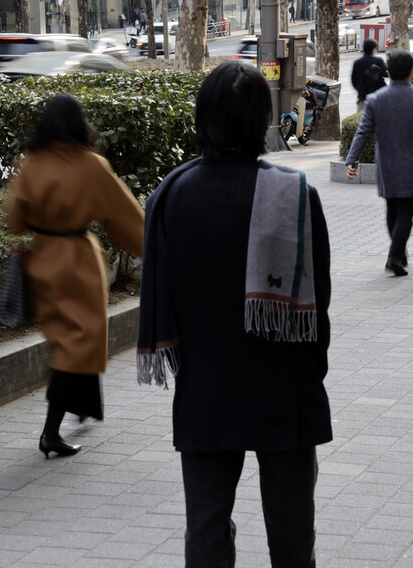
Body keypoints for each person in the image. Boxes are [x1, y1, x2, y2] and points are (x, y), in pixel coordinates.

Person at [137, 61, 333, 567]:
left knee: (206, 526)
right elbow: (319, 307)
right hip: (285, 387)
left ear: (203, 119)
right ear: (258, 121)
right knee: (292, 534)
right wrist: (313, 373)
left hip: (206, 387)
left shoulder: (170, 197)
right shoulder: (296, 195)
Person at [5, 94, 144, 458]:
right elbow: (125, 217)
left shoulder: (31, 163)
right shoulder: (91, 166)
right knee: (78, 344)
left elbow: (14, 220)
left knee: (67, 344)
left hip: (43, 261)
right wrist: (159, 250)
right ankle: (51, 432)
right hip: (78, 265)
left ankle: (82, 407)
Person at [345, 50, 413, 277]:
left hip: (387, 165)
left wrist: (352, 159)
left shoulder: (375, 100)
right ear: (412, 72)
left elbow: (363, 132)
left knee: (392, 211)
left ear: (388, 73)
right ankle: (395, 256)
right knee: (406, 213)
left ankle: (399, 253)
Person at [350, 38, 388, 113]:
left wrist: (360, 89)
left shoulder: (357, 63)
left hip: (363, 97)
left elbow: (353, 80)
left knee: (362, 119)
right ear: (373, 49)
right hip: (378, 96)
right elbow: (386, 73)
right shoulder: (378, 60)